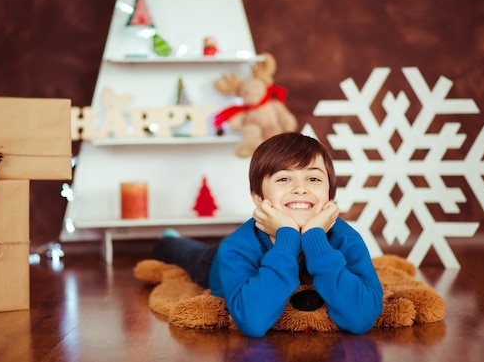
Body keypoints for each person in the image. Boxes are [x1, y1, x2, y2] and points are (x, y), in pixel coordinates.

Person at [152, 132, 383, 337]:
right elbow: (252, 320)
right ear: (258, 198)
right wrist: (287, 236)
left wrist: (314, 236)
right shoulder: (236, 247)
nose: (300, 189)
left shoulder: (346, 238)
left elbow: (361, 318)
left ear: (330, 195)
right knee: (187, 253)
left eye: (313, 179)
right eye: (284, 179)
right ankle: (169, 240)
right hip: (212, 263)